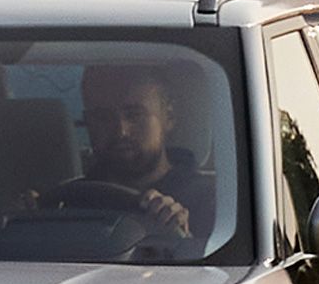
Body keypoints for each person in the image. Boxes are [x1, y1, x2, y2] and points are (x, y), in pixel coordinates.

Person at [71, 64, 218, 240]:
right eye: (103, 117)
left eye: (134, 115)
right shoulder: (69, 203)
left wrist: (184, 239)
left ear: (169, 117)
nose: (121, 131)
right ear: (88, 123)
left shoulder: (215, 205)